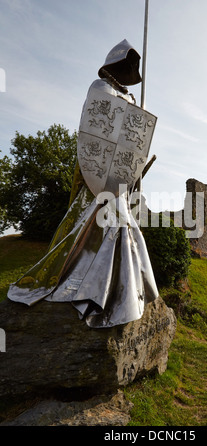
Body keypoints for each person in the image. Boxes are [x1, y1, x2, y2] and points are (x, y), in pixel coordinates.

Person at [8, 40, 158, 328]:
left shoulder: (127, 98)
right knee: (94, 225)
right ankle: (91, 288)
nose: (130, 70)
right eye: (126, 63)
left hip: (118, 180)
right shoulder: (100, 88)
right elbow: (97, 132)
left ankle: (121, 289)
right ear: (115, 63)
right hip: (98, 176)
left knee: (121, 226)